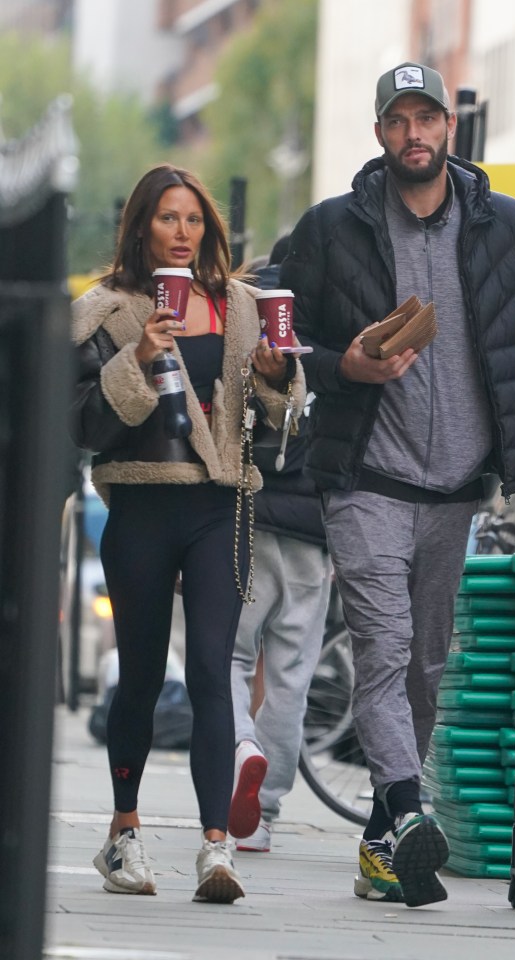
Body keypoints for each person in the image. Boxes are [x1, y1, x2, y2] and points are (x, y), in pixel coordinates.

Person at [280, 61, 515, 908]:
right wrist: (337, 364)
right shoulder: (332, 228)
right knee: (382, 650)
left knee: (424, 665)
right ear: (379, 133)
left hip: (457, 489)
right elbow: (273, 333)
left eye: (426, 119)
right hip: (365, 477)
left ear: (447, 128)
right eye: (397, 121)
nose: (412, 134)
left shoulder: (506, 227)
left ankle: (385, 842)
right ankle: (409, 807)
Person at [69, 163, 305, 904]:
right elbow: (78, 423)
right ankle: (125, 832)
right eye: (168, 218)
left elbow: (277, 418)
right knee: (140, 675)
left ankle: (215, 846)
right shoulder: (104, 311)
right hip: (140, 502)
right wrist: (137, 358)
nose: (182, 232)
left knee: (211, 668)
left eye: (194, 219)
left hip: (218, 507)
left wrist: (275, 376)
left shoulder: (240, 306)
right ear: (141, 225)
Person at [228, 240, 332, 853]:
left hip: (247, 514)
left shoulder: (242, 312)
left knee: (232, 659)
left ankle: (241, 747)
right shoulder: (339, 320)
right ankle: (262, 817)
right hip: (313, 530)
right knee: (292, 673)